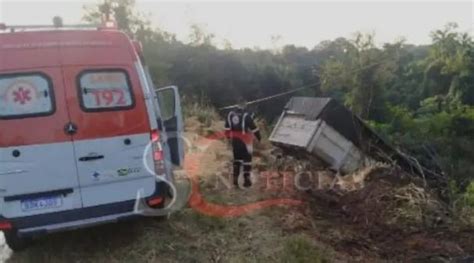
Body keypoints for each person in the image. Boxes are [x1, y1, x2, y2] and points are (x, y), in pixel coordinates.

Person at [224, 101, 261, 188]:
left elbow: (226, 129)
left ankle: (235, 180)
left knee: (237, 160)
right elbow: (254, 129)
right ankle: (246, 181)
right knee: (247, 161)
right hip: (245, 141)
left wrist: (229, 139)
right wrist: (259, 138)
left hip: (235, 140)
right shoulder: (246, 115)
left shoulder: (230, 115)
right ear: (244, 106)